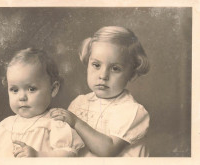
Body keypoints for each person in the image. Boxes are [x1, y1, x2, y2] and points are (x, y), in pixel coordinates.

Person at [51, 26, 150, 157]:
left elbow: (108, 150)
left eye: (115, 68)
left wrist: (76, 122)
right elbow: (67, 146)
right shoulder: (80, 102)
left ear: (131, 74)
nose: (103, 75)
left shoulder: (132, 111)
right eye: (96, 65)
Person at [0, 48, 84, 157]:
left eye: (31, 89)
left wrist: (38, 156)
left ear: (53, 89)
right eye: (15, 90)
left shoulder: (54, 124)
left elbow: (69, 155)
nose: (22, 97)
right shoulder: (5, 126)